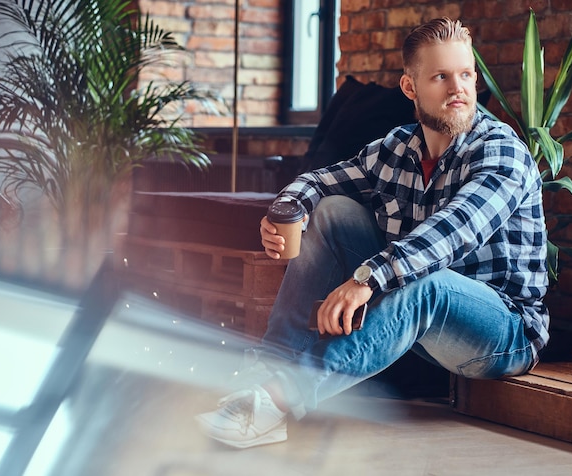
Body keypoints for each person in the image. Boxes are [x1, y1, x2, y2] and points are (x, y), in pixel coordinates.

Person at [196, 17, 549, 449]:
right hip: (418, 320)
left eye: (466, 75)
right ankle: (264, 378)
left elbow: (454, 230)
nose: (458, 88)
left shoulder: (501, 151)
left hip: (502, 330)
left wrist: (367, 279)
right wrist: (285, 210)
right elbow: (321, 181)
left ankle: (278, 400)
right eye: (440, 76)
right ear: (410, 88)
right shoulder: (396, 149)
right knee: (333, 212)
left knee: (430, 284)